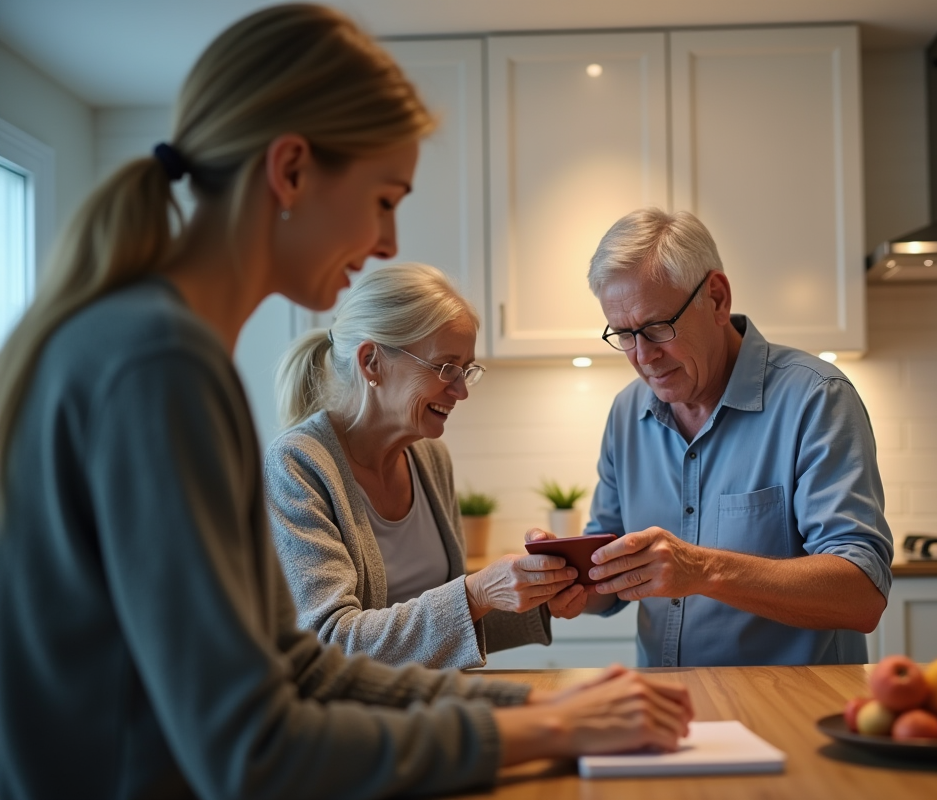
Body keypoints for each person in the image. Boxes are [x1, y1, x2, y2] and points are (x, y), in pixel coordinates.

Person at [0, 8, 690, 799]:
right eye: (385, 197)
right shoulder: (160, 365)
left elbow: (295, 667)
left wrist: (535, 704)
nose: (389, 242)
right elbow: (253, 749)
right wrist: (550, 727)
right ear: (291, 170)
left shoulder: (154, 345)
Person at [531, 207, 894, 668]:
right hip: (668, 712)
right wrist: (568, 582)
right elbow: (610, 579)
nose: (643, 357)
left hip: (794, 712)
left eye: (657, 326)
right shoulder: (627, 412)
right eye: (624, 334)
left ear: (717, 299)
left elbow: (862, 594)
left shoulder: (816, 398)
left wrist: (703, 570)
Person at [266, 262, 569, 669]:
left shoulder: (429, 458)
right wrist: (476, 592)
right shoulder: (297, 464)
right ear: (372, 361)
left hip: (431, 710)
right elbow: (331, 644)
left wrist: (543, 593)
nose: (460, 390)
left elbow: (442, 635)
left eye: (465, 370)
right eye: (446, 367)